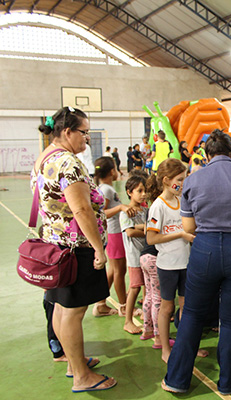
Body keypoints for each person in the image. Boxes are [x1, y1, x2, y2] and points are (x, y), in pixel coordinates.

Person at [162, 130, 231, 395]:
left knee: (191, 313)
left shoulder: (193, 179)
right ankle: (229, 381)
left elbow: (188, 225)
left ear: (206, 155)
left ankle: (177, 379)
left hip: (206, 251)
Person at [33, 106, 116, 392]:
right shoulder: (67, 162)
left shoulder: (45, 157)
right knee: (73, 311)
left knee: (61, 306)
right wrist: (98, 249)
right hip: (75, 248)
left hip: (56, 245)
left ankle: (73, 362)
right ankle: (81, 376)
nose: (87, 139)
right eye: (84, 132)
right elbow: (81, 209)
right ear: (67, 132)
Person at [145, 158, 199, 363]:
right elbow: (151, 238)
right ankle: (165, 349)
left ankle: (187, 348)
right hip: (168, 266)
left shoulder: (181, 201)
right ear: (166, 180)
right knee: (167, 308)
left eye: (184, 179)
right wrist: (180, 235)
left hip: (186, 263)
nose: (183, 184)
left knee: (187, 308)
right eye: (179, 180)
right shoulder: (158, 206)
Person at [94, 157, 135, 317]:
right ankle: (124, 306)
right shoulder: (106, 190)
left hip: (113, 233)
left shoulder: (106, 188)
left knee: (112, 270)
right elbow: (100, 213)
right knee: (119, 270)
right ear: (112, 171)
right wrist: (120, 208)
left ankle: (100, 303)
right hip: (114, 233)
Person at [120, 171, 149, 334]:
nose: (143, 194)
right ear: (129, 192)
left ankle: (146, 314)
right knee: (135, 287)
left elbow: (150, 225)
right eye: (139, 191)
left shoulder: (145, 211)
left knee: (147, 287)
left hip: (146, 255)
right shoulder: (126, 212)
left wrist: (142, 227)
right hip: (134, 257)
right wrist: (146, 230)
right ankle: (128, 320)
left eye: (144, 190)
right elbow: (129, 232)